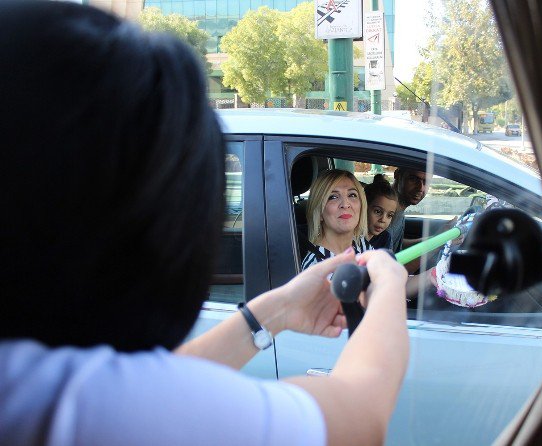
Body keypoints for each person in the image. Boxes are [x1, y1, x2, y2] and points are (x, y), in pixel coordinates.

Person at [0, 3, 409, 446]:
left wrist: (274, 311)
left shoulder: (33, 385)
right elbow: (362, 416)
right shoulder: (76, 407)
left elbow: (150, 389)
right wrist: (387, 283)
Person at [300, 169, 373, 270]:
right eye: (333, 197)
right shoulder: (316, 268)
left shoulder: (362, 245)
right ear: (319, 212)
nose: (345, 204)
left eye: (352, 195)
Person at [363, 174, 398, 250]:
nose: (383, 220)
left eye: (389, 215)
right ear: (364, 207)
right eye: (377, 211)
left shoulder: (385, 238)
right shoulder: (351, 236)